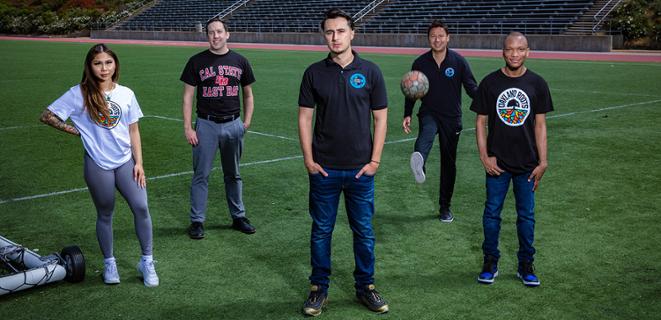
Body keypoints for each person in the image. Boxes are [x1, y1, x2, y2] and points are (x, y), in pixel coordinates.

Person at [40, 43, 159, 287]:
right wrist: (75, 131)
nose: (104, 68)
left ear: (115, 64)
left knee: (141, 208)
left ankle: (147, 261)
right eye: (98, 63)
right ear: (90, 66)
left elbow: (134, 130)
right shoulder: (78, 93)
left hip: (126, 162)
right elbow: (47, 115)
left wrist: (140, 164)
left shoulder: (126, 93)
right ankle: (109, 262)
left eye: (108, 62)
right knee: (105, 214)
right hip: (97, 164)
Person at [297, 8, 389, 317]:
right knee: (322, 230)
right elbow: (305, 117)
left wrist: (375, 160)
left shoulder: (371, 71)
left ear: (352, 33)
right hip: (324, 169)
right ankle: (318, 288)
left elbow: (380, 117)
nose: (335, 37)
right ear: (324, 35)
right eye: (329, 32)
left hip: (361, 170)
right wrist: (309, 159)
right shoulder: (314, 72)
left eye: (340, 31)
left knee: (363, 230)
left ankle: (366, 287)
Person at [470, 32, 553, 287]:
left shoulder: (537, 83)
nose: (514, 54)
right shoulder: (490, 83)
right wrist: (484, 156)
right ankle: (490, 262)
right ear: (502, 51)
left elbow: (540, 125)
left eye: (520, 49)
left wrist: (543, 161)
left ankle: (526, 265)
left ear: (528, 52)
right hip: (498, 165)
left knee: (526, 217)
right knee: (492, 214)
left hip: (528, 165)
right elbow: (480, 122)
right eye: (510, 49)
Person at [180, 17, 256, 239]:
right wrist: (188, 127)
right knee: (201, 175)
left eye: (219, 31)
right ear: (207, 36)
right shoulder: (196, 61)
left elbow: (248, 94)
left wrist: (247, 121)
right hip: (206, 125)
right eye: (211, 32)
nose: (215, 36)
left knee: (233, 174)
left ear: (227, 34)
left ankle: (238, 216)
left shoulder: (240, 61)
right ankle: (197, 221)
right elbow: (187, 97)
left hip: (233, 124)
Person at [402, 20, 478, 223]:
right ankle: (420, 164)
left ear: (448, 37)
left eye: (440, 36)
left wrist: (485, 104)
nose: (437, 39)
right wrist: (407, 113)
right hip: (429, 112)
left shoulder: (458, 61)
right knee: (424, 136)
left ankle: (445, 207)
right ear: (428, 39)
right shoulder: (420, 63)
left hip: (452, 118)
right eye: (433, 36)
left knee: (448, 163)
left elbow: (471, 87)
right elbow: (412, 90)